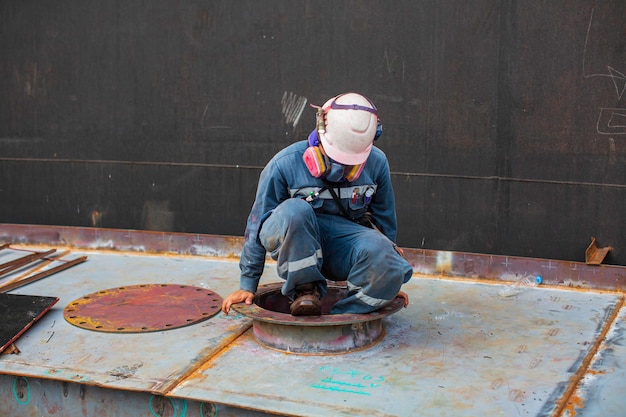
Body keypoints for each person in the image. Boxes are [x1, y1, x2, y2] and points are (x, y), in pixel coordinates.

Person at [221, 92, 413, 316]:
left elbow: (385, 223)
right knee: (296, 211)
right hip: (298, 243)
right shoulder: (284, 164)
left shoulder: (376, 163)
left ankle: (343, 315)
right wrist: (247, 284)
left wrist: (386, 278)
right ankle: (305, 291)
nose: (342, 167)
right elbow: (257, 224)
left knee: (385, 256)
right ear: (321, 130)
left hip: (342, 248)